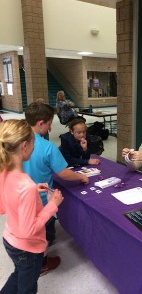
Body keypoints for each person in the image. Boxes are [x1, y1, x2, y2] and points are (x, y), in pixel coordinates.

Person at [23, 102, 89, 275]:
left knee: (30, 229)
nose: (51, 126)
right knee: (44, 235)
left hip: (22, 200)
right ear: (41, 123)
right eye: (50, 122)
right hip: (42, 201)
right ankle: (41, 262)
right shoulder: (47, 147)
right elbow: (64, 173)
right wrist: (81, 177)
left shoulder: (17, 141)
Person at [0, 119, 63, 293]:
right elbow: (29, 230)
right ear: (24, 146)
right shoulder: (25, 187)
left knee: (19, 273)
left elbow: (4, 205)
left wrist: (34, 191)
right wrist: (52, 205)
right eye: (34, 142)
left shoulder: (4, 171)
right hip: (26, 249)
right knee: (27, 287)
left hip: (10, 240)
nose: (35, 146)